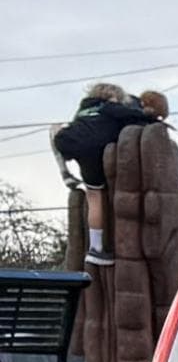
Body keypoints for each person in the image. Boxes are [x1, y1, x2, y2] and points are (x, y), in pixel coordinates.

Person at [53, 83, 152, 262]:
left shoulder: (83, 109)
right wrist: (154, 119)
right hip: (97, 150)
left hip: (71, 143)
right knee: (97, 196)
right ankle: (97, 248)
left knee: (55, 129)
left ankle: (65, 171)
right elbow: (133, 116)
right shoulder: (110, 107)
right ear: (113, 97)